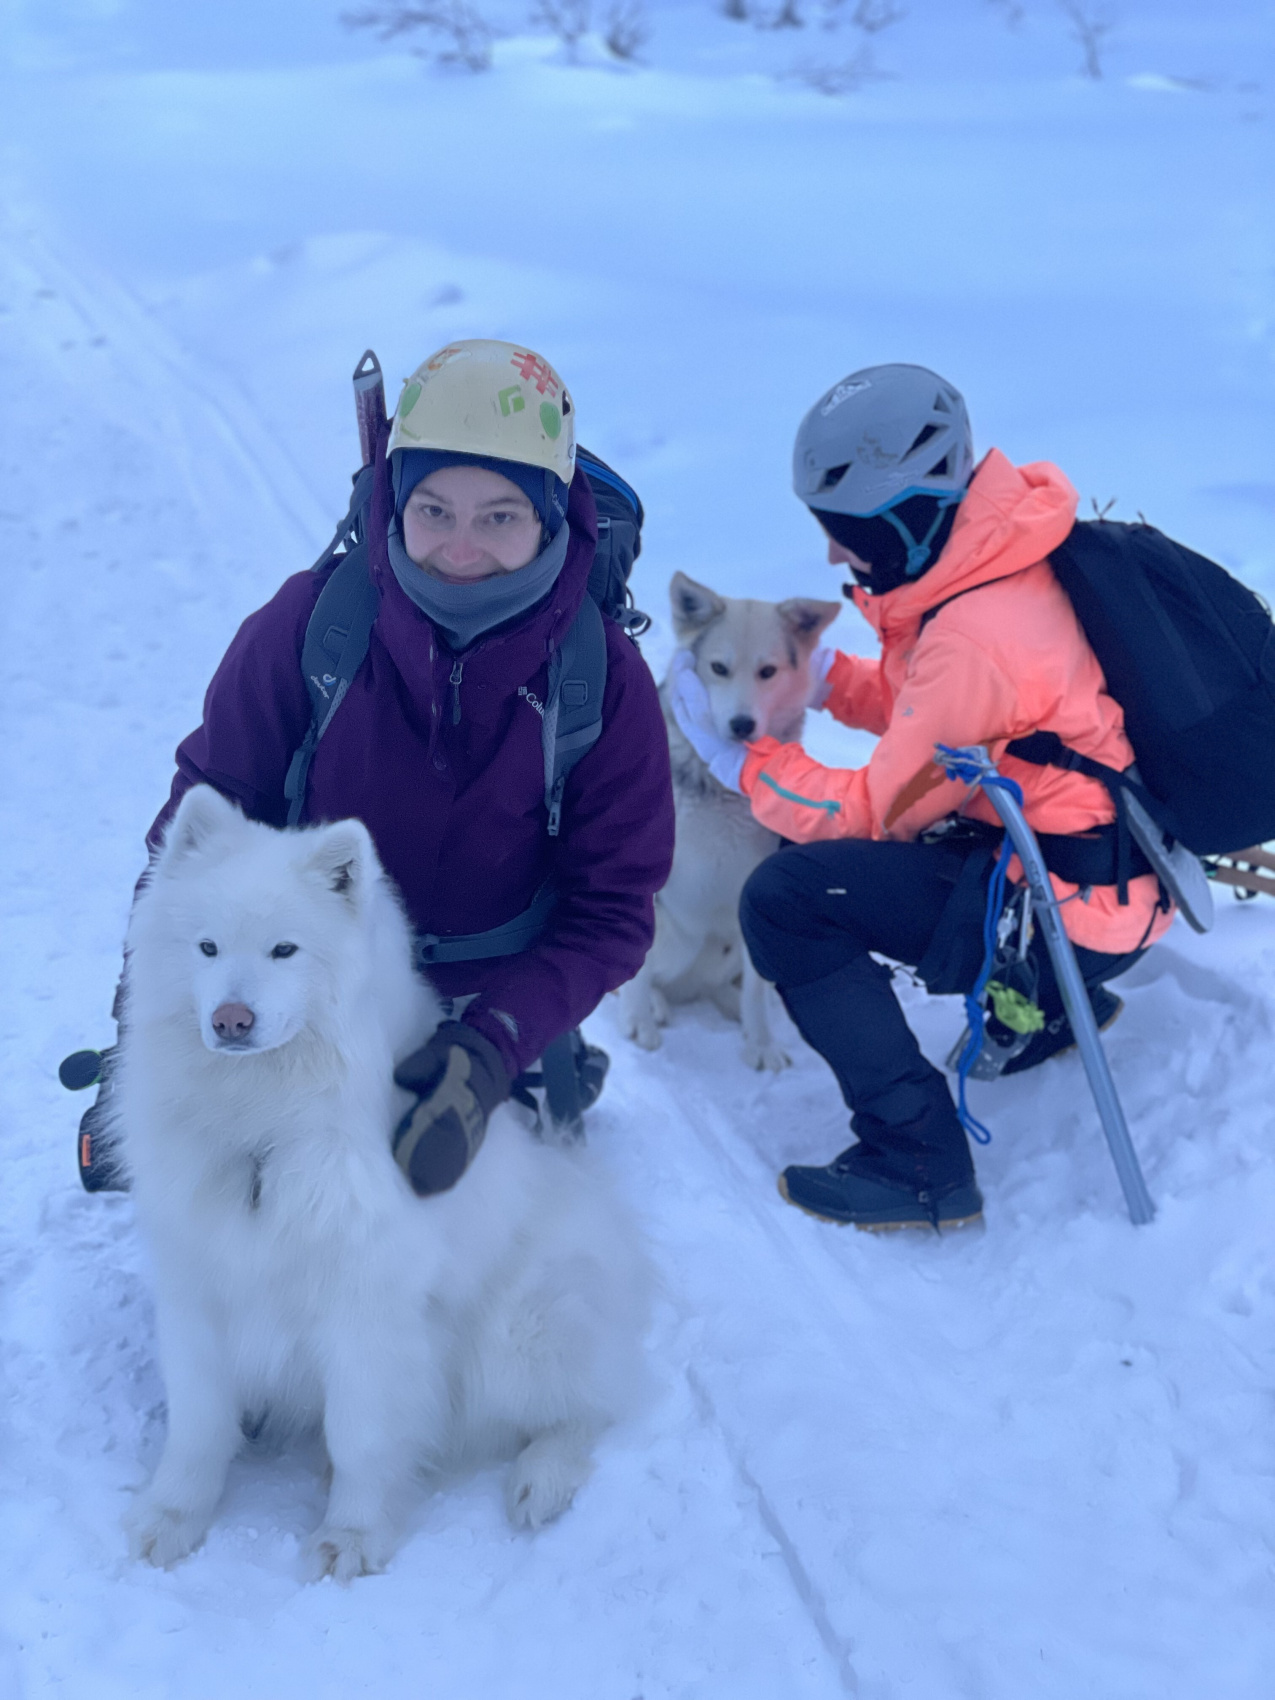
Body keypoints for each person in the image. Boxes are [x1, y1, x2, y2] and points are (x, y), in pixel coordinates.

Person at [99, 339, 675, 1195]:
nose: (460, 548)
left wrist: (492, 1044)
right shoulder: (314, 624)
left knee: (436, 1209)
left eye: (500, 516)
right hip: (314, 974)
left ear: (551, 516)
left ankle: (541, 1055)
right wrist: (144, 1007)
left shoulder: (600, 676)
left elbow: (611, 907)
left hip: (487, 988)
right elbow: (207, 817)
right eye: (433, 508)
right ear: (395, 497)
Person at [671, 363, 1173, 1231]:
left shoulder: (973, 637)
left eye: (840, 529)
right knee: (883, 852)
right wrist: (825, 681)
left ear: (901, 513)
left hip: (1061, 907)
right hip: (1104, 875)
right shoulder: (990, 568)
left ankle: (915, 1159)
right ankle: (1054, 1009)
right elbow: (937, 729)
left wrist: (740, 768)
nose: (831, 552)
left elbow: (868, 808)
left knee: (791, 896)